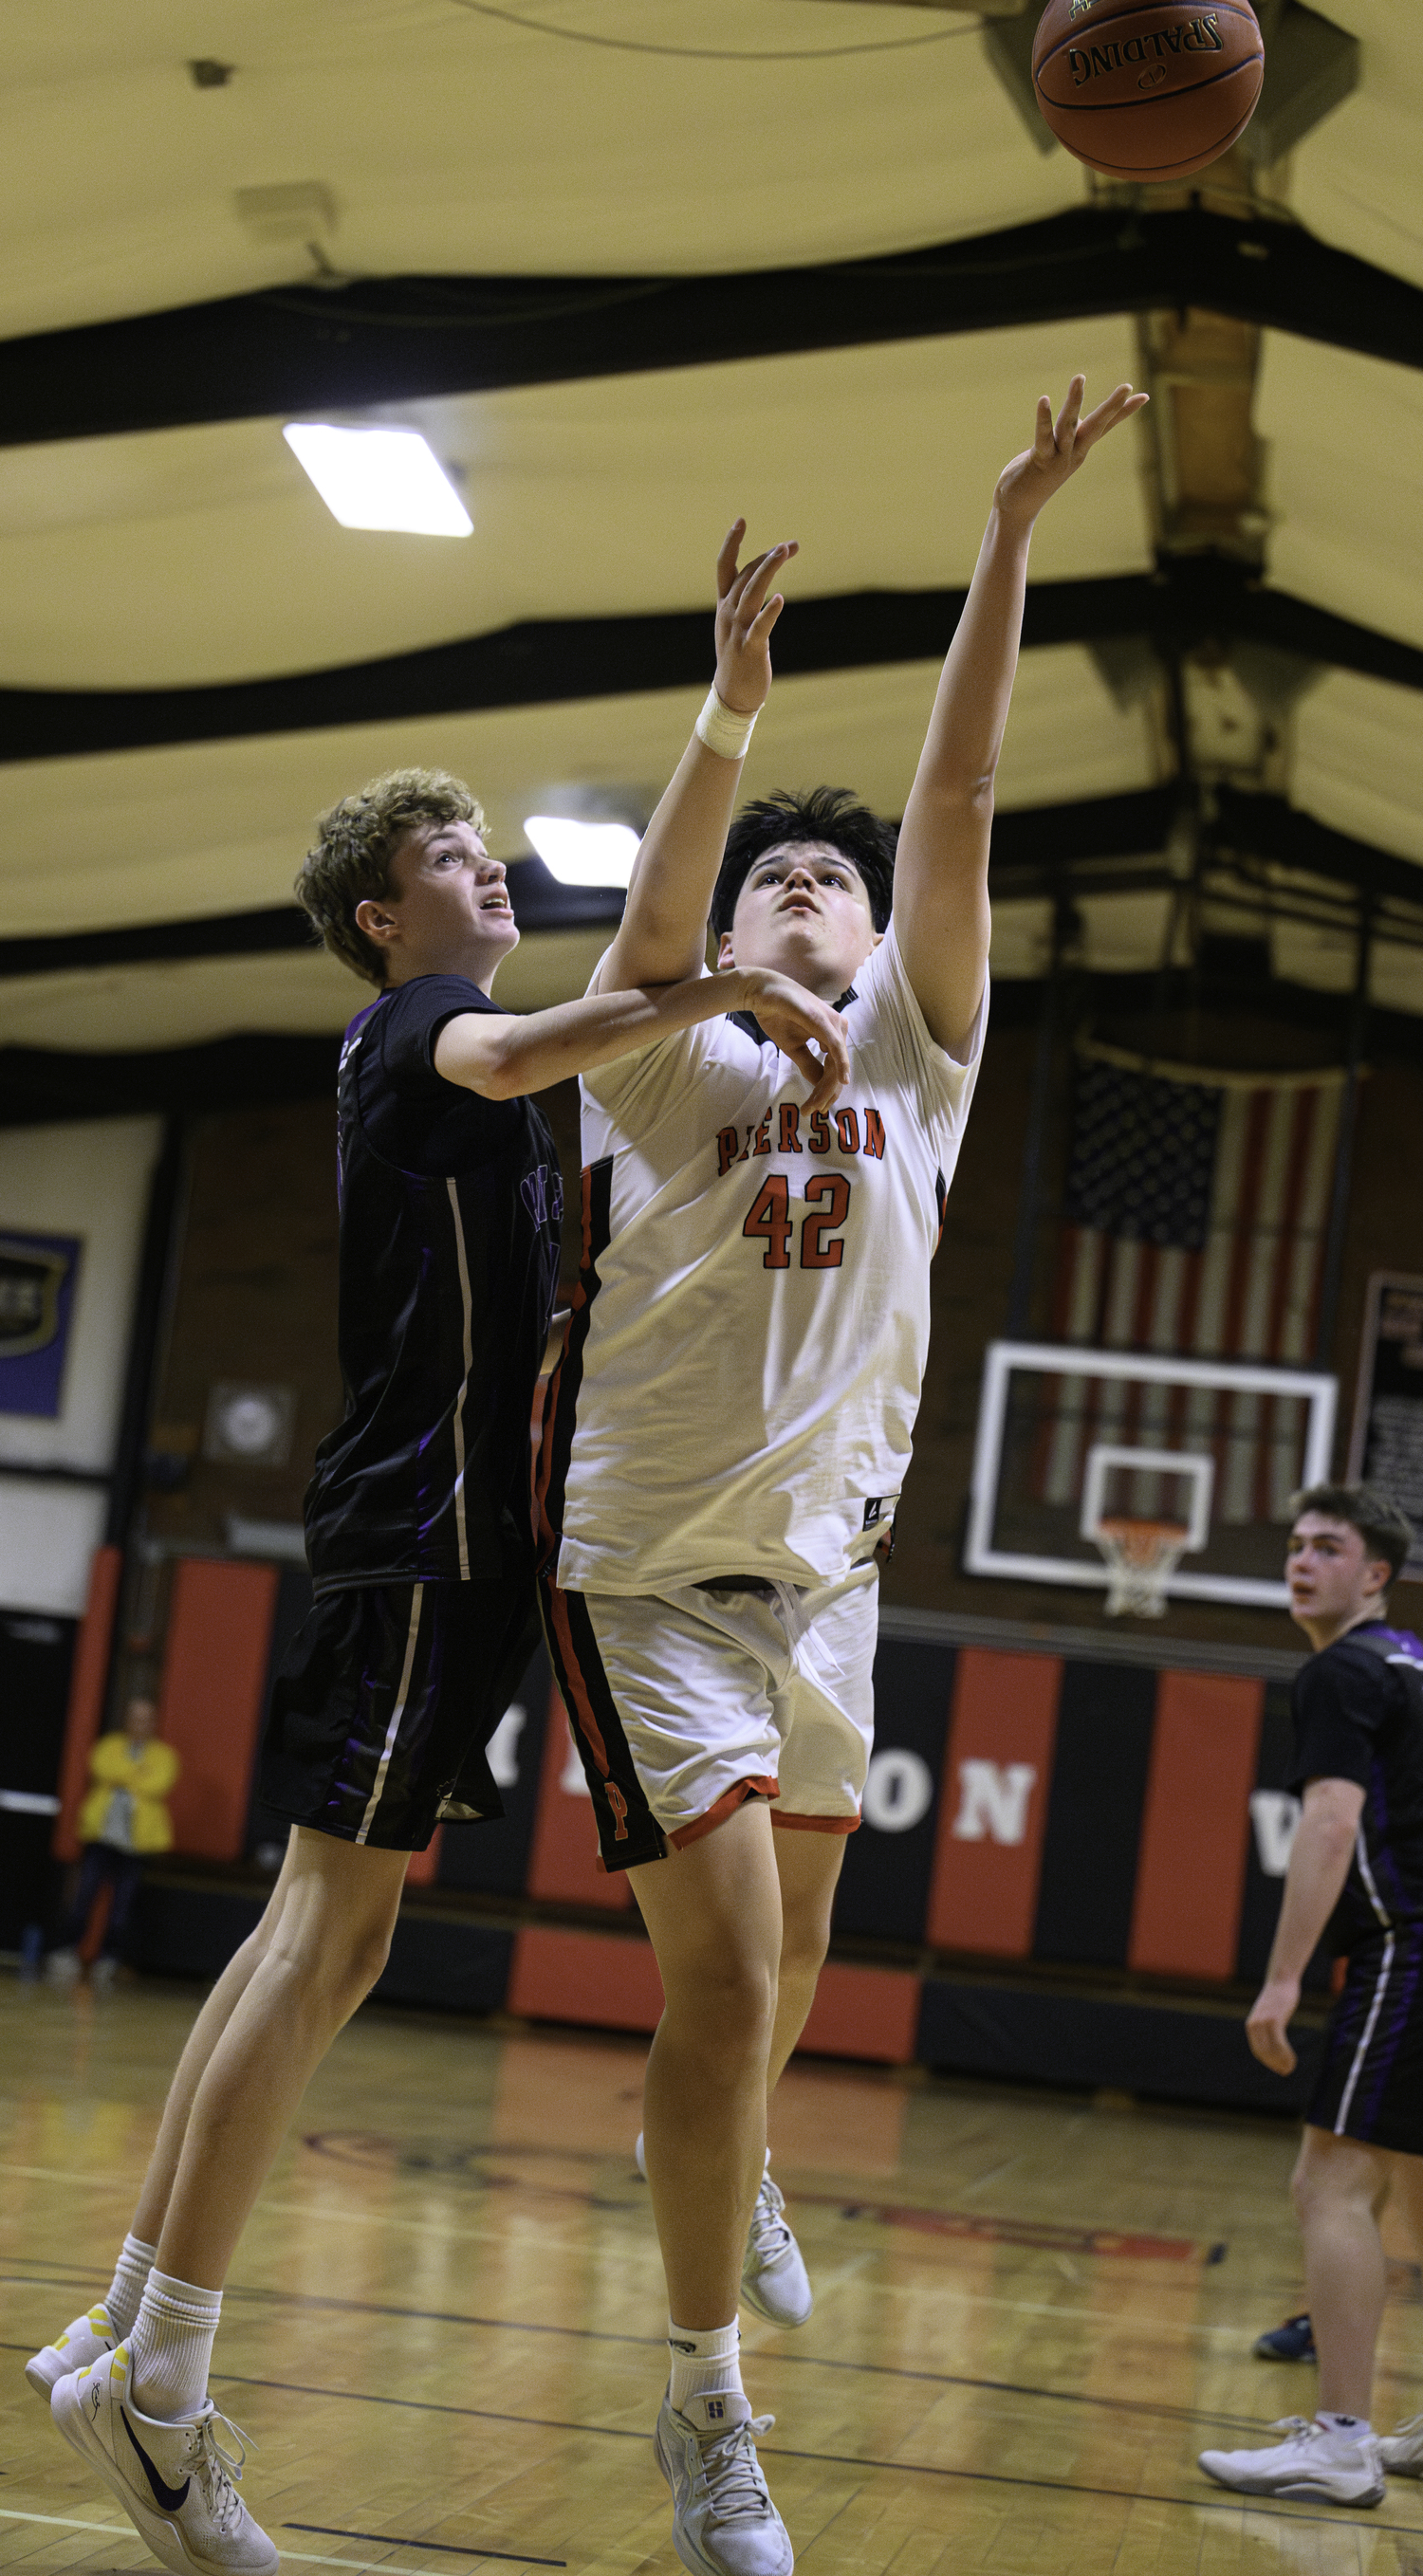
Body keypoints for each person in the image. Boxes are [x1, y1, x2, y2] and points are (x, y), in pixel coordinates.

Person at [30, 749, 847, 2576]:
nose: (485, 868)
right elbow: (520, 1053)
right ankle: (162, 2391)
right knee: (331, 1939)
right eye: (448, 855)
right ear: (382, 918)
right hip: (429, 1534)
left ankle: (126, 2325)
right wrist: (724, 983)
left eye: (486, 847)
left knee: (300, 1935)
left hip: (433, 1541)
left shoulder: (435, 1036)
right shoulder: (423, 1025)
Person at [536, 374, 1148, 2576]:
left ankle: (749, 2168)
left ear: (875, 939)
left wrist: (1007, 536)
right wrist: (727, 713)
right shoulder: (660, 1055)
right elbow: (644, 933)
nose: (810, 888)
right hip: (651, 1580)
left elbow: (961, 780)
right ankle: (709, 2412)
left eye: (835, 878)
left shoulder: (920, 1049)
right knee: (718, 1980)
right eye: (780, 878)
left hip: (838, 1581)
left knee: (784, 1958)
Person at [1199, 1482, 1423, 2507]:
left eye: (1326, 1547)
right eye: (1293, 1544)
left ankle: (1339, 2439)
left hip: (1407, 1946)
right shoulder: (1414, 1662)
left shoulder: (1342, 1668)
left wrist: (1285, 1975)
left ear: (1375, 1574)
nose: (1301, 1560)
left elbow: (1330, 1824)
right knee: (1414, 2195)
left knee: (1327, 2183)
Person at [46, 1681, 179, 1990]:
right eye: (136, 1718)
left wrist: (129, 1778)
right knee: (83, 1897)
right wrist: (137, 1776)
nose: (141, 1724)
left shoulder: (164, 1756)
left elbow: (158, 1785)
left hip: (136, 1844)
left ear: (154, 1722)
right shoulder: (109, 1746)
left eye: (147, 1719)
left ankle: (109, 1958)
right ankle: (66, 1951)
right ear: (127, 1720)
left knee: (122, 1906)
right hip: (101, 1838)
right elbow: (102, 1768)